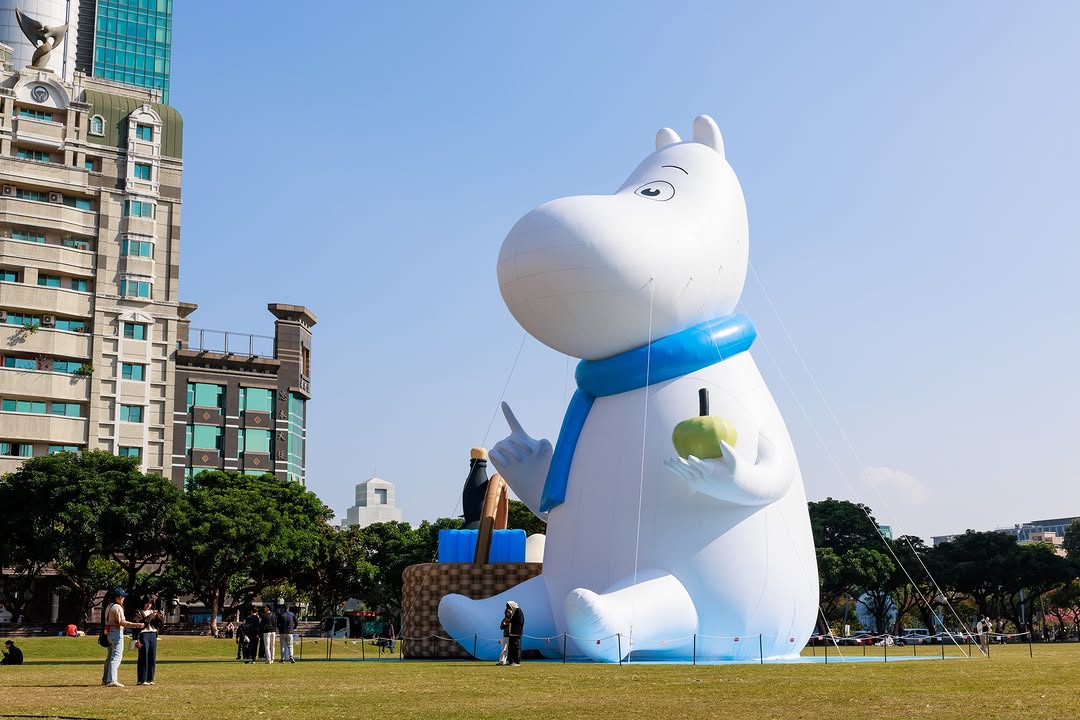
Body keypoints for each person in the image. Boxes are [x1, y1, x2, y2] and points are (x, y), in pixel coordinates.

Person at [101, 587, 145, 687]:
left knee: (110, 657)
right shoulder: (117, 607)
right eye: (122, 596)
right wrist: (136, 625)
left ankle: (106, 679)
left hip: (109, 632)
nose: (123, 598)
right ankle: (112, 680)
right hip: (116, 632)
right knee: (117, 656)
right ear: (117, 597)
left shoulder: (109, 606)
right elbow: (122, 622)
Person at [132, 595, 163, 686]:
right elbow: (137, 623)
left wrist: (159, 618)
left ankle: (150, 678)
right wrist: (149, 617)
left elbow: (159, 624)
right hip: (143, 634)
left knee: (152, 657)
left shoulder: (153, 611)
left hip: (153, 634)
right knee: (143, 657)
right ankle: (142, 679)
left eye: (150, 603)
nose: (148, 605)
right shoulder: (138, 612)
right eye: (147, 603)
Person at [505, 600, 525, 666]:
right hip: (512, 632)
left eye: (509, 607)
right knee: (511, 647)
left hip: (516, 632)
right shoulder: (514, 611)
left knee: (516, 647)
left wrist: (510, 621)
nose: (509, 608)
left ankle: (517, 662)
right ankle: (510, 661)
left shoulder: (518, 611)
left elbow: (520, 621)